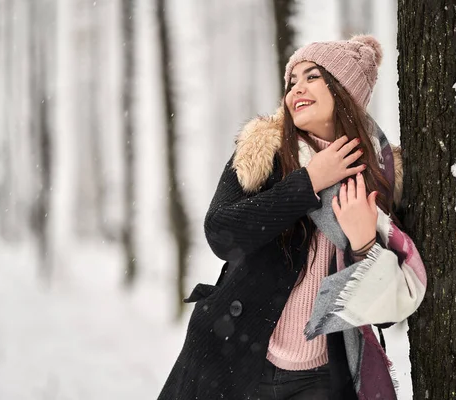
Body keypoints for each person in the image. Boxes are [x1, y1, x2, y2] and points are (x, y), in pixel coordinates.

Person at [158, 35, 427, 400]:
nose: (296, 89)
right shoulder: (263, 151)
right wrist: (310, 181)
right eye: (292, 81)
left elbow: (384, 313)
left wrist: (365, 245)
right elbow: (221, 233)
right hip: (235, 356)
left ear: (344, 90)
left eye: (312, 76)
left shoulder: (380, 176)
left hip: (319, 378)